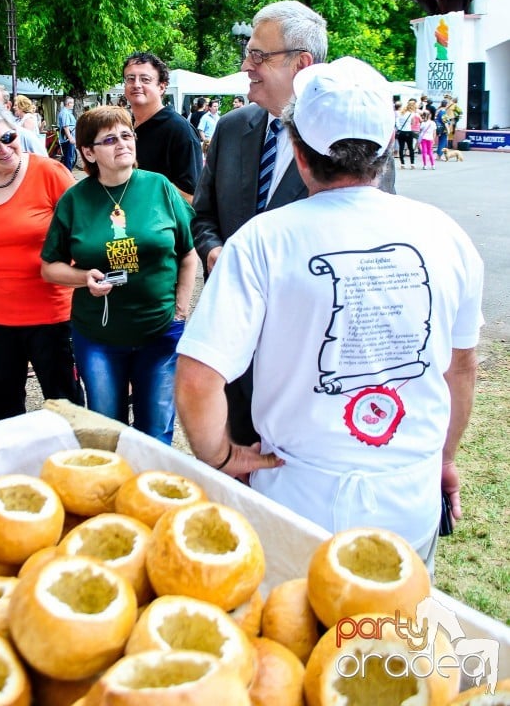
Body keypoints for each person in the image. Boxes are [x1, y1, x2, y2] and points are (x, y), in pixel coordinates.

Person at [176, 57, 483, 567]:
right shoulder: (447, 235)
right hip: (408, 490)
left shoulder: (262, 241)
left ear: (298, 154)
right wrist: (445, 457)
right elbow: (461, 367)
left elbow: (197, 378)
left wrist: (221, 457)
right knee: (394, 636)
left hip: (295, 492)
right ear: (386, 150)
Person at [192, 0, 329, 444]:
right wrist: (214, 250)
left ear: (301, 63)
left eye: (258, 55)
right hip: (231, 339)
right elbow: (204, 214)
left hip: (302, 346)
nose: (246, 66)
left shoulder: (347, 141)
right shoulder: (232, 128)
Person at [41, 105, 197, 445]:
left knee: (156, 431)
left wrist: (181, 308)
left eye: (127, 135)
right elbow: (49, 267)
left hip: (160, 332)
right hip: (98, 336)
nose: (122, 143)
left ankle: (149, 494)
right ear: (87, 152)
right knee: (107, 430)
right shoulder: (74, 200)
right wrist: (84, 278)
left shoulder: (161, 188)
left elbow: (188, 252)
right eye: (109, 139)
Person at [0, 101, 81, 421]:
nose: (3, 149)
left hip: (49, 313)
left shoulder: (50, 172)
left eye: (8, 137)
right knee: (4, 406)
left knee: (65, 404)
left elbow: (82, 231)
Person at [122, 52, 203, 202]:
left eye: (145, 79)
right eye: (130, 79)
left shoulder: (180, 131)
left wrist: (141, 182)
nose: (136, 84)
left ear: (161, 87)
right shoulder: (123, 127)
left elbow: (192, 197)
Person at [0, 83, 47, 156]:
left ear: (7, 106)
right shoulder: (18, 120)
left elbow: (28, 142)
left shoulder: (27, 121)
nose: (14, 108)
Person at [396, 99, 417, 169]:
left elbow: (397, 121)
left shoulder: (400, 113)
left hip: (401, 131)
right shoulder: (412, 114)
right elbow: (412, 123)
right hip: (408, 131)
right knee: (410, 148)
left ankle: (402, 164)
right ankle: (412, 163)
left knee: (401, 148)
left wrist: (399, 128)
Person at [57, 96, 77, 170]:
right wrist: (70, 138)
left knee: (68, 158)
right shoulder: (65, 113)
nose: (73, 104)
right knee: (68, 159)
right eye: (72, 103)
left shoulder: (65, 112)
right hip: (67, 139)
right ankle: (68, 177)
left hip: (67, 139)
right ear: (68, 103)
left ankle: (68, 176)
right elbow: (66, 126)